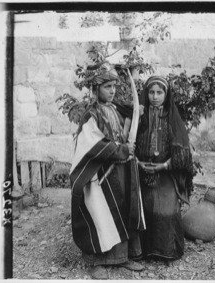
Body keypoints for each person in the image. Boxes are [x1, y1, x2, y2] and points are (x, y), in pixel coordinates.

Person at [70, 62, 146, 279]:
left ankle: (121, 258)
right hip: (100, 175)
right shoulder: (90, 115)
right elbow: (91, 143)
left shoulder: (115, 109)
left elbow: (125, 130)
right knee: (101, 214)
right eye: (107, 87)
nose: (112, 91)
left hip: (120, 171)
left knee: (122, 210)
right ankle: (96, 261)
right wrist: (121, 149)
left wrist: (128, 140)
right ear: (96, 89)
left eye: (114, 86)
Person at [135, 75, 195, 261]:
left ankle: (167, 251)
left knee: (166, 210)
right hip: (141, 173)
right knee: (144, 208)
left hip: (166, 175)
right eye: (151, 92)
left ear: (166, 94)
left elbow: (182, 155)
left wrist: (163, 165)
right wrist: (137, 163)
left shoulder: (172, 118)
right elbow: (128, 142)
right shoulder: (139, 116)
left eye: (159, 92)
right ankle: (143, 251)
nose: (155, 96)